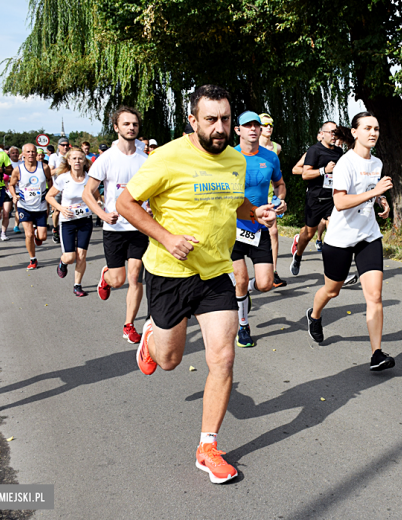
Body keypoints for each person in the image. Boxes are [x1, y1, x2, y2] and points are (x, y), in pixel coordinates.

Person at [118, 84, 276, 484]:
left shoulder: (236, 161)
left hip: (215, 273)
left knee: (222, 359)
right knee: (169, 360)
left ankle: (208, 447)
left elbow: (234, 200)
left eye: (225, 119)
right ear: (193, 120)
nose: (220, 128)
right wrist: (167, 238)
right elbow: (125, 203)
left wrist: (256, 212)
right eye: (211, 120)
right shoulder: (168, 157)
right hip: (170, 275)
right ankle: (152, 335)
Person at [306, 112, 395, 371]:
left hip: (368, 235)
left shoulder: (377, 163)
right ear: (355, 132)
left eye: (376, 128)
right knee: (332, 290)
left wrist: (381, 201)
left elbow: (369, 191)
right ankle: (314, 315)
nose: (373, 133)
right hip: (341, 238)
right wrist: (375, 192)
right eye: (367, 128)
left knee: (375, 295)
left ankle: (377, 353)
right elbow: (340, 202)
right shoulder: (345, 163)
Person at [83, 106, 148, 344]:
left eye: (135, 124)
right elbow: (87, 193)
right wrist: (102, 214)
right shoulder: (106, 159)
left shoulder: (145, 160)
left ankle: (129, 324)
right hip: (115, 228)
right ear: (116, 127)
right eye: (126, 124)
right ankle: (106, 277)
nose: (131, 127)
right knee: (118, 280)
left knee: (135, 277)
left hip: (139, 227)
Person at [232, 111, 285, 347]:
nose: (253, 129)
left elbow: (279, 183)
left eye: (257, 125)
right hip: (232, 228)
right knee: (240, 278)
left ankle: (242, 294)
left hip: (259, 228)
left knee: (265, 284)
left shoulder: (270, 157)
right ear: (238, 130)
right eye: (248, 125)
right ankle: (243, 325)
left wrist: (280, 199)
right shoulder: (228, 157)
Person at [290, 121, 342, 276]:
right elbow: (305, 174)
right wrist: (323, 170)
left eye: (336, 133)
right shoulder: (314, 150)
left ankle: (336, 270)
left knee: (334, 230)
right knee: (308, 234)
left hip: (332, 199)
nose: (334, 135)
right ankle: (298, 256)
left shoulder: (339, 152)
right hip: (315, 199)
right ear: (323, 133)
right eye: (331, 132)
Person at [46, 148, 97, 296]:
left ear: (84, 161)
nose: (77, 161)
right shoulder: (63, 178)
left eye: (80, 158)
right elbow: (49, 196)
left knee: (81, 255)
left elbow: (96, 195)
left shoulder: (90, 179)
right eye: (74, 158)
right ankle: (62, 263)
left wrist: (100, 204)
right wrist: (61, 208)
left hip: (85, 220)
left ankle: (77, 285)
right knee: (70, 257)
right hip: (68, 221)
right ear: (68, 161)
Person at [9, 144, 53, 270]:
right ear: (23, 154)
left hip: (40, 206)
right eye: (28, 152)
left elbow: (50, 181)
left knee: (43, 236)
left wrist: (50, 196)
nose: (31, 154)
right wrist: (14, 195)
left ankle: (37, 234)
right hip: (24, 206)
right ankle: (33, 259)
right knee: (28, 235)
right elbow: (11, 184)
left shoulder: (44, 167)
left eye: (33, 151)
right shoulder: (18, 169)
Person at [258, 113, 287, 288]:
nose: (269, 127)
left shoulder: (277, 147)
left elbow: (277, 175)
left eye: (271, 124)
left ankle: (274, 271)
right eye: (266, 124)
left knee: (273, 231)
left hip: (272, 194)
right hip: (256, 195)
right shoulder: (250, 147)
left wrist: (280, 197)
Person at [47, 138, 71, 244]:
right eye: (63, 145)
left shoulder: (70, 156)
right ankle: (55, 229)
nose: (65, 147)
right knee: (56, 211)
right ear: (58, 146)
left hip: (69, 187)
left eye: (67, 145)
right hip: (57, 188)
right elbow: (50, 172)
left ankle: (69, 231)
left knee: (70, 209)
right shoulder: (54, 157)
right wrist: (61, 168)